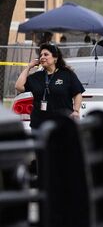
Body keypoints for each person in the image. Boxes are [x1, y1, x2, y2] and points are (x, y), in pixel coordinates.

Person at [15, 43, 85, 189]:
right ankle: (45, 186)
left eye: (46, 54)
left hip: (61, 124)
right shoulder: (37, 77)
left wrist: (76, 111)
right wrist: (28, 67)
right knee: (42, 156)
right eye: (41, 55)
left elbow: (77, 93)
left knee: (61, 155)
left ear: (55, 57)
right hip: (39, 123)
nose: (42, 57)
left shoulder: (67, 74)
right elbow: (19, 86)